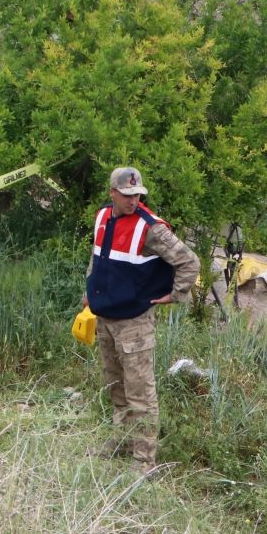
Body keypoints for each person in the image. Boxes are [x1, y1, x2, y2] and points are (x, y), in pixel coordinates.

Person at [83, 167, 199, 475]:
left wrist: (175, 295)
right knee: (116, 386)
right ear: (113, 193)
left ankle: (144, 461)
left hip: (134, 322)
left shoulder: (151, 228)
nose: (133, 200)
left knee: (140, 393)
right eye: (127, 195)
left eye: (137, 195)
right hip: (105, 317)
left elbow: (189, 262)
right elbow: (98, 256)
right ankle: (122, 442)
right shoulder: (103, 216)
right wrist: (89, 291)